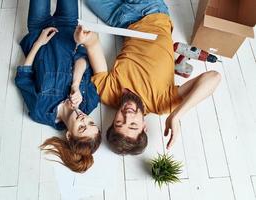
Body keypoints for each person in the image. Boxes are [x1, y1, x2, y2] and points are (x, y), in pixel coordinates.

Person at [76, 0, 221, 154]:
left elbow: (93, 45)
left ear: (112, 121)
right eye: (133, 125)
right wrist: (177, 115)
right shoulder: (161, 103)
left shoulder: (108, 94)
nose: (128, 115)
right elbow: (214, 77)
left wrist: (87, 39)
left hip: (121, 21)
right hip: (150, 11)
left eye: (119, 122)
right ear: (144, 126)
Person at [15, 0, 101, 173]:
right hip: (69, 27)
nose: (84, 119)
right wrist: (76, 85)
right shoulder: (90, 101)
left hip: (39, 30)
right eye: (91, 122)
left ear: (69, 135)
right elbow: (82, 59)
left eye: (82, 127)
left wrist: (39, 43)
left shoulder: (41, 112)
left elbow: (23, 76)